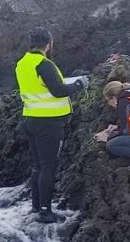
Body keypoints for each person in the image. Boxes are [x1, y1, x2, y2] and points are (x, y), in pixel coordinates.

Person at [15, 27, 89, 223]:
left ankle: (36, 207)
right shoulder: (44, 64)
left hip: (30, 119)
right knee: (49, 167)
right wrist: (80, 85)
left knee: (38, 166)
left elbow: (40, 87)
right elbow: (57, 91)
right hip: (48, 123)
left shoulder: (22, 64)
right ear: (48, 44)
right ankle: (46, 212)